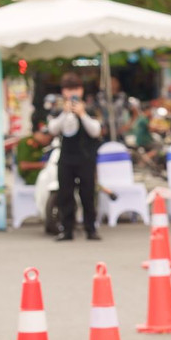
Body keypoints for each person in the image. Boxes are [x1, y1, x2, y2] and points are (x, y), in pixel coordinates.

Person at [46, 72, 102, 241]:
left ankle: (90, 228)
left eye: (76, 89)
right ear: (63, 92)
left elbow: (96, 131)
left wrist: (82, 114)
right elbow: (52, 130)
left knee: (87, 194)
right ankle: (67, 229)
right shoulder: (58, 109)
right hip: (66, 157)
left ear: (82, 90)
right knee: (65, 194)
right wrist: (65, 113)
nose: (72, 93)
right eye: (69, 89)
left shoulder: (91, 108)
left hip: (86, 157)